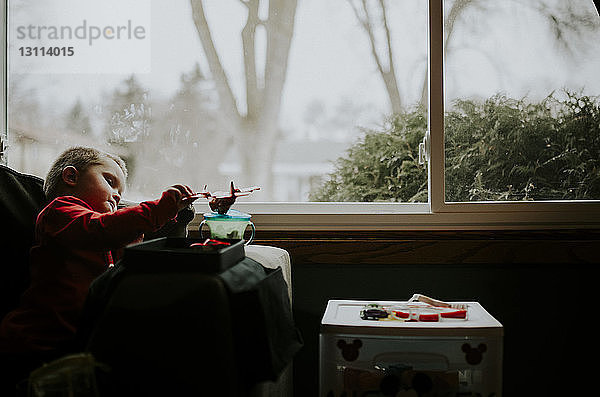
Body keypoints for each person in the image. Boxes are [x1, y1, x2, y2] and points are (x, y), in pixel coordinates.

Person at [0, 146, 197, 390]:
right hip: (38, 342)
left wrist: (172, 214)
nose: (116, 195)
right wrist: (159, 209)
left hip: (77, 341)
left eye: (120, 191)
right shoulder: (58, 212)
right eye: (109, 181)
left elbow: (124, 252)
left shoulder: (101, 230)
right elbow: (102, 229)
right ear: (71, 177)